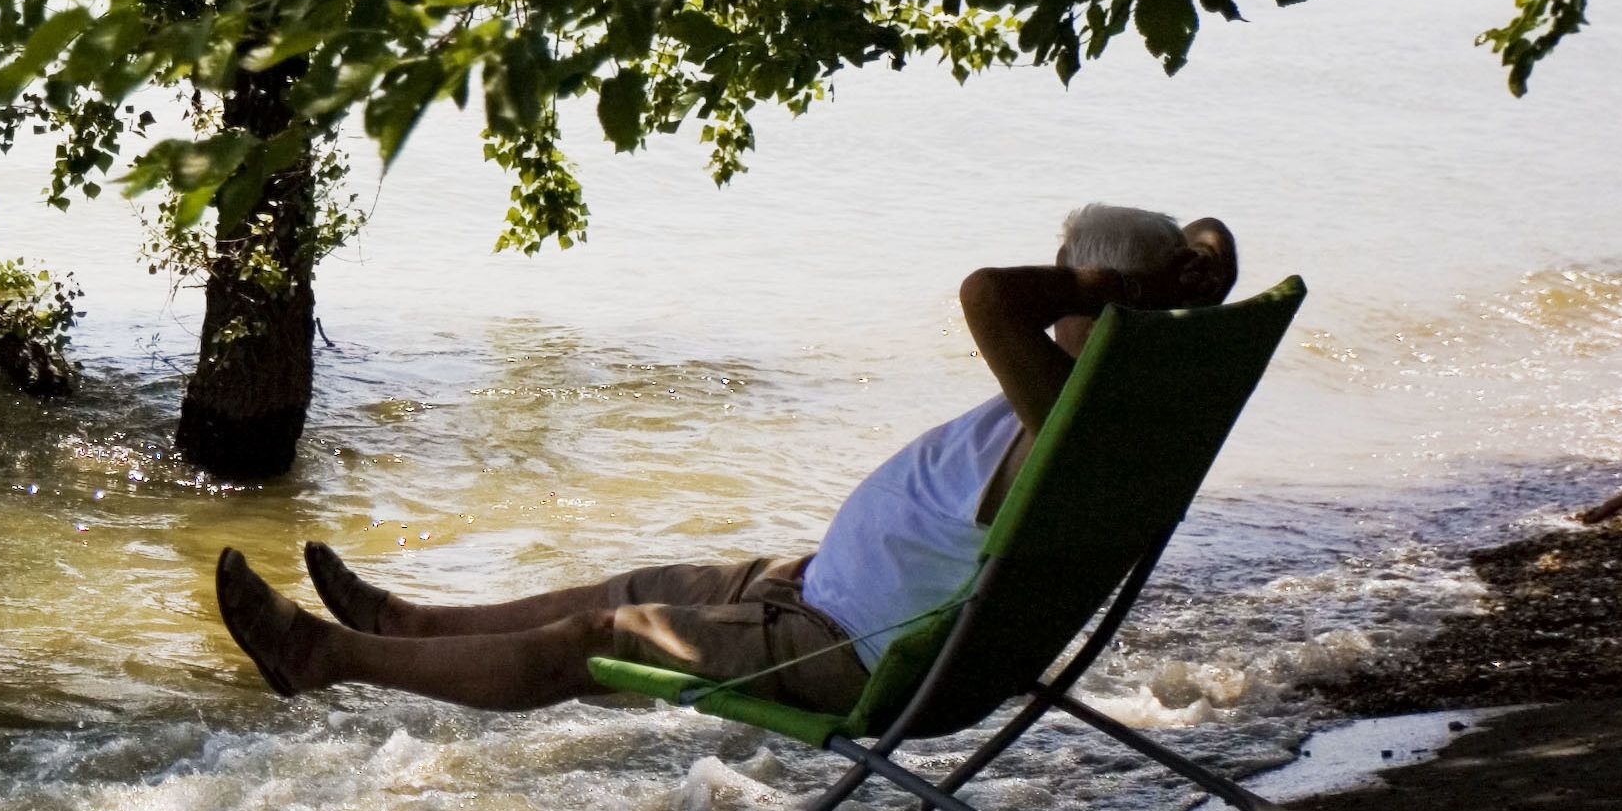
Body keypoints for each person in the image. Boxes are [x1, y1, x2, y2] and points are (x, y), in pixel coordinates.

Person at [211, 206, 1241, 714]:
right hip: (821, 593)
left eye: (1071, 277)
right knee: (632, 585)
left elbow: (985, 293)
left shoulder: (1070, 407)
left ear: (1096, 303)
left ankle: (327, 658)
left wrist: (1105, 289)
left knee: (594, 639)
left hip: (841, 643)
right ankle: (404, 622)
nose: (1052, 286)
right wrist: (1143, 288)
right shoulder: (1112, 409)